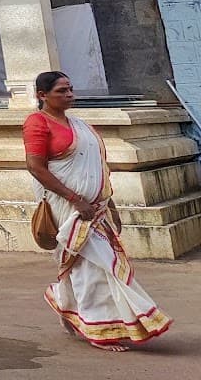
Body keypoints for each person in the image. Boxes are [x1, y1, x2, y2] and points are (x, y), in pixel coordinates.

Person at [24, 70, 172, 350]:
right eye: (61, 91)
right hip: (67, 208)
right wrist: (74, 199)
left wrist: (110, 204)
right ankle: (99, 328)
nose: (69, 95)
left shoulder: (80, 125)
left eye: (70, 89)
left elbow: (99, 169)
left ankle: (65, 304)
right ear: (42, 95)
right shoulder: (36, 123)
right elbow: (35, 166)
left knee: (83, 266)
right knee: (99, 265)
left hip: (96, 207)